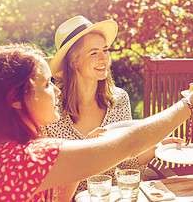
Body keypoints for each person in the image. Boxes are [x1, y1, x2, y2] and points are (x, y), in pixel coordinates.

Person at [0, 43, 193, 201]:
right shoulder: (22, 158)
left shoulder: (2, 148)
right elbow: (130, 143)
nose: (57, 90)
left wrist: (83, 158)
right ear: (15, 99)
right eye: (47, 84)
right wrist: (189, 105)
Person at [44, 15, 166, 195]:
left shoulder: (119, 99)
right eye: (93, 53)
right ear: (73, 60)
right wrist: (84, 153)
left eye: (105, 50)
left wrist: (156, 147)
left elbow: (126, 166)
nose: (104, 59)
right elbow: (51, 180)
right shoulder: (50, 106)